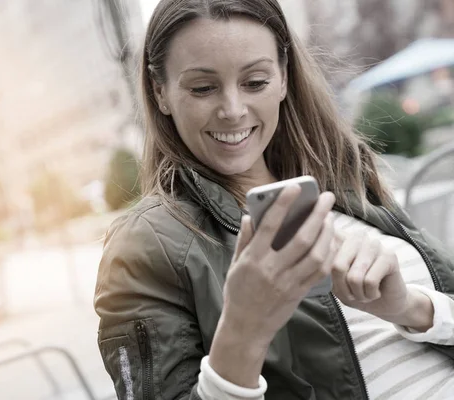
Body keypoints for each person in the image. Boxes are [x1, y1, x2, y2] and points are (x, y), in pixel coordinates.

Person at [93, 0, 454, 399]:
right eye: (203, 88)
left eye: (255, 82)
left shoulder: (344, 176)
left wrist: (410, 308)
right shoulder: (145, 245)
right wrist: (244, 328)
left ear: (283, 77)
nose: (232, 110)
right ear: (160, 92)